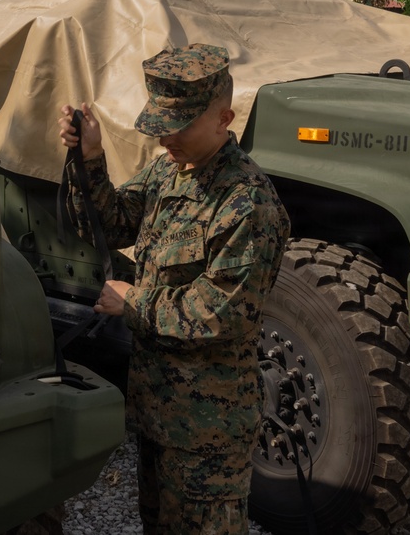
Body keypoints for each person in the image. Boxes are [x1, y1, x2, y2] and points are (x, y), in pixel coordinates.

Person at [57, 43, 291, 535]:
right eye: (161, 123)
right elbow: (114, 223)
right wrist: (90, 158)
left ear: (224, 118)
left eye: (179, 124)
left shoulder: (248, 203)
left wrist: (133, 301)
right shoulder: (170, 168)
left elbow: (222, 311)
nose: (166, 137)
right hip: (159, 410)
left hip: (209, 428)